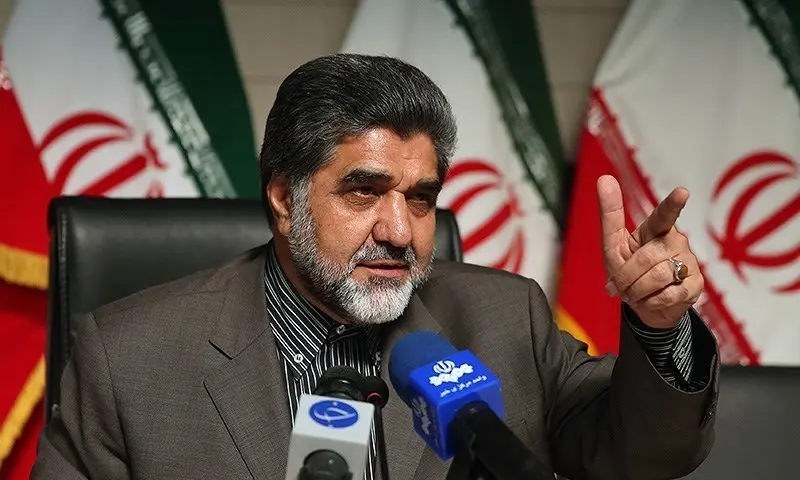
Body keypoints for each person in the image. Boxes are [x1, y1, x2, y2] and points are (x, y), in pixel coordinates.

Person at [31, 54, 718, 480]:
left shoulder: (504, 319)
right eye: (363, 192)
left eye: (420, 199)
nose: (399, 231)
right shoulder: (131, 360)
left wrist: (660, 326)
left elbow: (643, 453)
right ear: (284, 198)